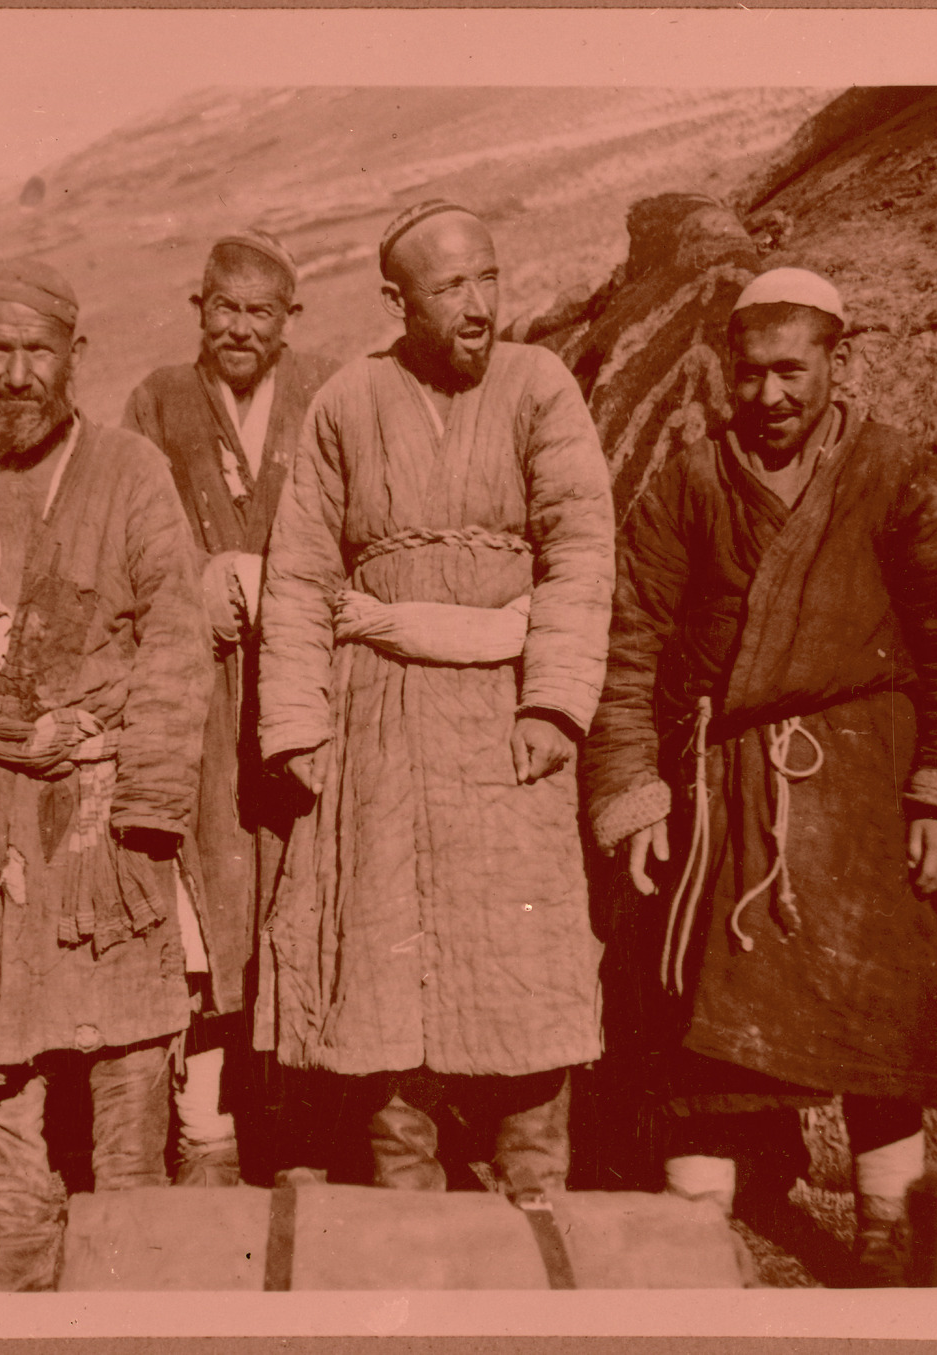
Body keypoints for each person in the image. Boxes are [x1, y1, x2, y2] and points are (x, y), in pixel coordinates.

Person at [582, 267, 937, 1283]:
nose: (768, 395)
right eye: (749, 374)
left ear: (836, 361)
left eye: (790, 371)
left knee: (880, 1009)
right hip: (724, 786)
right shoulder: (689, 482)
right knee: (702, 1025)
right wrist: (634, 791)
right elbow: (629, 639)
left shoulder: (899, 474)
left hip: (866, 787)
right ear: (725, 372)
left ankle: (886, 1222)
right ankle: (693, 1236)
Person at [256, 201, 614, 1198]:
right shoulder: (346, 401)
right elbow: (298, 572)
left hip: (507, 716)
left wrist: (554, 702)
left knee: (523, 946)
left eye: (488, 277)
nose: (478, 305)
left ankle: (535, 1185)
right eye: (451, 286)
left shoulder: (539, 385)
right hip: (377, 719)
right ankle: (405, 1195)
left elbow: (582, 549)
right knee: (384, 953)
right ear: (396, 302)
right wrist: (297, 722)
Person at [0, 260, 211, 1290]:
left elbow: (175, 634)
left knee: (126, 1018)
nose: (18, 374)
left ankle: (132, 1224)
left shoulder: (130, 469)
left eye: (39, 350)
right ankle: (16, 1227)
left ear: (74, 355)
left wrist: (151, 793)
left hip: (98, 793)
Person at [121, 229, 340, 1186]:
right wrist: (200, 576)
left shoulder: (328, 390)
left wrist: (287, 585)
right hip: (200, 687)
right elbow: (134, 524)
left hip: (300, 678)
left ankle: (302, 1131)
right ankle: (206, 1132)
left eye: (260, 311)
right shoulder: (156, 400)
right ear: (197, 308)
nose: (240, 328)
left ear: (291, 318)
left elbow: (352, 519)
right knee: (206, 902)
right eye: (224, 307)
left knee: (303, 888)